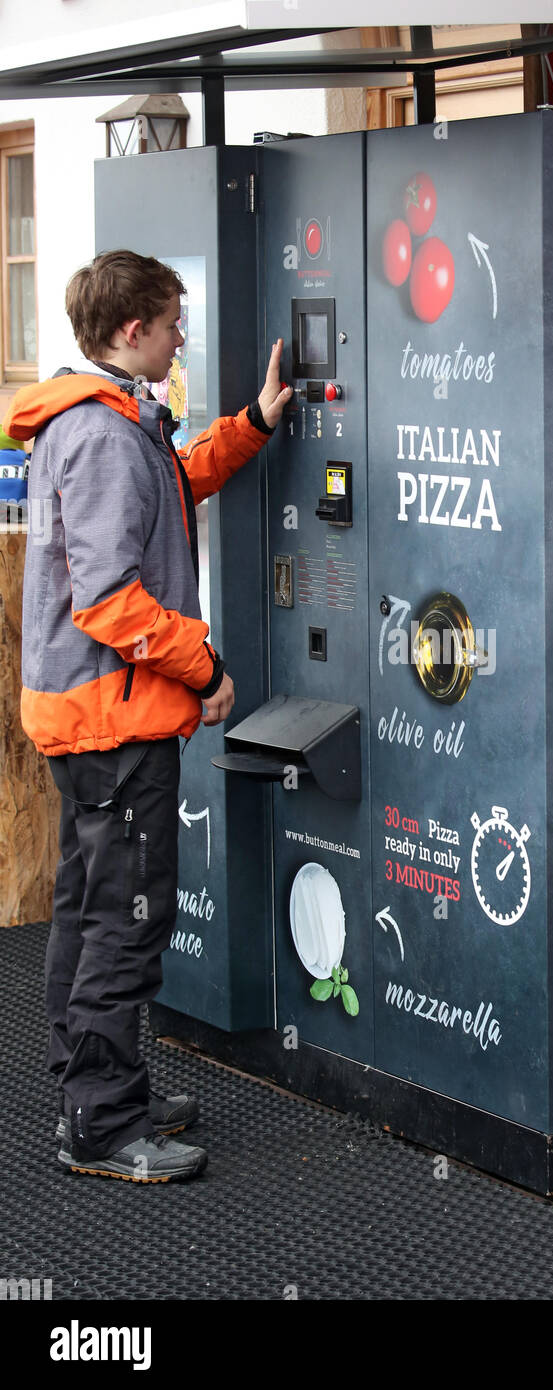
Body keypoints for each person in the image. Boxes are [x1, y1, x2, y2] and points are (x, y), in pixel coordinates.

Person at [2, 250, 292, 1183]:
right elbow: (110, 600)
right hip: (114, 724)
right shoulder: (102, 436)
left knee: (91, 913)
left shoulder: (106, 422)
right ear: (134, 333)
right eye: (173, 325)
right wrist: (204, 664)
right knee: (125, 920)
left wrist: (251, 427)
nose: (181, 340)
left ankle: (97, 1088)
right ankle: (103, 1122)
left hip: (88, 717)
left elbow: (171, 488)